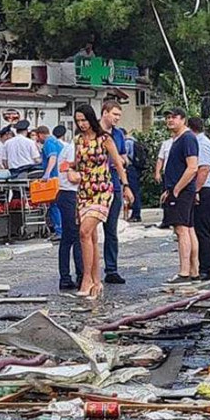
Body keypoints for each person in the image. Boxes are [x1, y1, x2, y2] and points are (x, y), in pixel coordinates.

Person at [68, 104, 132, 299]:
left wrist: (126, 186)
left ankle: (87, 278)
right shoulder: (78, 140)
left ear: (91, 119)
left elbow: (118, 164)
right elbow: (75, 164)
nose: (82, 124)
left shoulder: (105, 139)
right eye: (78, 121)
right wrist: (72, 173)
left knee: (84, 232)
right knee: (91, 237)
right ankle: (96, 280)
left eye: (84, 120)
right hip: (84, 191)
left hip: (102, 190)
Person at [161, 108, 200, 284]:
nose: (170, 120)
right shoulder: (179, 139)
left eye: (174, 117)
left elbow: (192, 167)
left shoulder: (187, 138)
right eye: (168, 117)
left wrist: (176, 189)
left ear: (183, 119)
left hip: (183, 191)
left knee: (181, 229)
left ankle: (184, 271)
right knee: (189, 228)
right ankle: (193, 270)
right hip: (179, 190)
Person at [99, 101, 132, 284]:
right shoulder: (93, 132)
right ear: (105, 113)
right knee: (86, 231)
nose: (117, 118)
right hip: (95, 180)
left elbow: (123, 158)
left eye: (119, 115)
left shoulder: (118, 134)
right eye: (114, 114)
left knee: (111, 229)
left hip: (114, 180)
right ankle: (84, 271)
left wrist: (121, 162)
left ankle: (111, 268)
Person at [189, 117, 210, 281]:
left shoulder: (202, 144)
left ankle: (207, 267)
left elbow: (204, 169)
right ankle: (201, 266)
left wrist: (195, 190)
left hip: (205, 190)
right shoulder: (201, 142)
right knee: (198, 229)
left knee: (202, 230)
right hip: (203, 189)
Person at [56, 129, 83, 290]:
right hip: (69, 194)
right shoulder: (73, 149)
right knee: (76, 236)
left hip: (68, 195)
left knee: (69, 238)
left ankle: (68, 276)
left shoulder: (70, 148)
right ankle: (76, 275)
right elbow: (73, 177)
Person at [40, 124, 64, 240]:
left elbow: (52, 158)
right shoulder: (57, 142)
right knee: (60, 204)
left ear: (41, 134)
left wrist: (47, 174)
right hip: (61, 176)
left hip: (55, 177)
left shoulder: (49, 143)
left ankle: (59, 230)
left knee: (54, 204)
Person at [124, 129, 146, 222]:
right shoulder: (134, 141)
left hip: (130, 169)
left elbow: (125, 157)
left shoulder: (127, 143)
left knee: (133, 191)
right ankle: (136, 213)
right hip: (136, 169)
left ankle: (136, 214)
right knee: (135, 190)